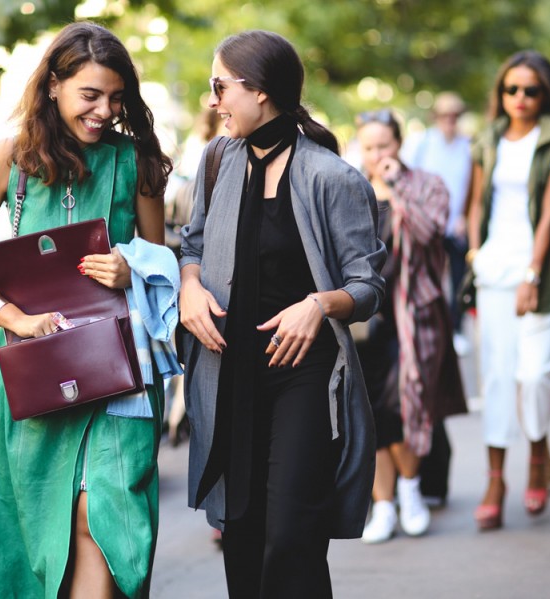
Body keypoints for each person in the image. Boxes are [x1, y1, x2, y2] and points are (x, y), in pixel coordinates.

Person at [0, 22, 173, 598]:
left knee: (104, 522)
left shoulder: (133, 160)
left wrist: (131, 267)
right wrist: (11, 318)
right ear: (52, 87)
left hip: (118, 371)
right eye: (90, 95)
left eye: (116, 98)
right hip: (33, 373)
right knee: (39, 532)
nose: (104, 110)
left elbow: (161, 257)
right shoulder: (10, 158)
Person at [179, 30, 386, 597]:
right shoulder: (218, 160)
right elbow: (191, 245)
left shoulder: (332, 178)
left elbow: (367, 287)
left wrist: (319, 305)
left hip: (305, 377)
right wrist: (189, 288)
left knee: (291, 538)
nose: (213, 101)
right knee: (241, 534)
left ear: (260, 92)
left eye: (219, 86)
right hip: (230, 374)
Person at [467, 50, 550, 530]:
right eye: (511, 89)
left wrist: (532, 274)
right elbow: (475, 204)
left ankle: (538, 458)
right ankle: (497, 479)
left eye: (531, 90)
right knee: (495, 377)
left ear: (546, 93)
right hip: (493, 271)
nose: (520, 98)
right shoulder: (488, 139)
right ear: (501, 93)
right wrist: (475, 254)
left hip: (542, 277)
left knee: (535, 377)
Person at [355, 109, 467, 543]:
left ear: (399, 144)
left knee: (409, 406)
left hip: (415, 315)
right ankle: (383, 505)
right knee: (373, 413)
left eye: (384, 145)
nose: (377, 154)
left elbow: (429, 233)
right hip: (365, 318)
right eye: (369, 147)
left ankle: (411, 489)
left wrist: (398, 184)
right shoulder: (351, 188)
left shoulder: (426, 185)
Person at [402, 92, 472, 354]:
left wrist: (463, 215)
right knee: (425, 276)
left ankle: (455, 329)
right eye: (444, 115)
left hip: (455, 224)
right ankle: (424, 328)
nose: (449, 120)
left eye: (454, 115)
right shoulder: (423, 142)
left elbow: (470, 185)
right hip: (427, 223)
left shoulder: (466, 145)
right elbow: (409, 179)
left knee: (458, 278)